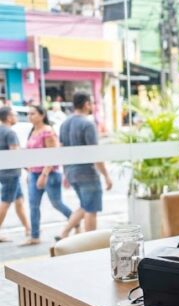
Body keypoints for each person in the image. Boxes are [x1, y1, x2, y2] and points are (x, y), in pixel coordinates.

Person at [58, 92, 112, 235]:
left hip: (71, 171)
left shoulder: (64, 124)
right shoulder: (87, 124)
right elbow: (94, 154)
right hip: (86, 172)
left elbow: (61, 150)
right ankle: (89, 241)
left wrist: (65, 173)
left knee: (85, 205)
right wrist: (106, 175)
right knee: (91, 209)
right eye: (92, 103)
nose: (93, 106)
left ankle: (64, 233)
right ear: (87, 104)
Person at [24, 106, 73, 245]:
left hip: (49, 174)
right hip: (34, 173)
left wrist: (44, 174)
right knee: (33, 205)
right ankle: (35, 236)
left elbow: (53, 155)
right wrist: (30, 172)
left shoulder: (48, 131)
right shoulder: (32, 131)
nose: (29, 116)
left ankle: (74, 220)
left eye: (33, 113)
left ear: (42, 115)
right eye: (28, 114)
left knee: (56, 203)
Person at [0, 106, 31, 242]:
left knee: (19, 201)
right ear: (8, 117)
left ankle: (28, 228)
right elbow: (15, 154)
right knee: (6, 202)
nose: (16, 117)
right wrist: (28, 168)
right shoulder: (10, 132)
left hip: (3, 171)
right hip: (11, 173)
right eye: (14, 114)